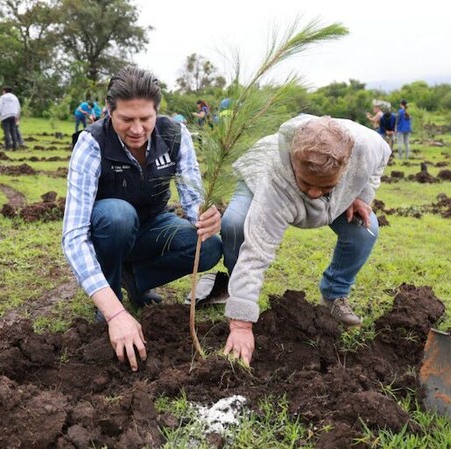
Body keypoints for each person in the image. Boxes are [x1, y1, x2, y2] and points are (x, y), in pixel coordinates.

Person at [62, 66, 223, 371]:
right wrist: (114, 315)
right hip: (109, 230)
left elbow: (192, 200)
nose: (137, 129)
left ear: (156, 112)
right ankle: (111, 297)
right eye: (126, 119)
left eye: (145, 119)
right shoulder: (92, 142)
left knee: (211, 246)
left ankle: (136, 281)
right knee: (117, 215)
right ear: (109, 112)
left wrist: (206, 217)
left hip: (153, 225)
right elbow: (73, 235)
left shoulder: (175, 134)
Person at [217, 115, 391, 365]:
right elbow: (257, 253)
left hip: (335, 195)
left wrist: (362, 195)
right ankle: (238, 297)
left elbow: (380, 160)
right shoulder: (276, 180)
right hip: (260, 176)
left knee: (366, 228)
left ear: (346, 166)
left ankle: (335, 296)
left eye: (325, 186)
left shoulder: (368, 146)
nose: (313, 193)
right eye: (307, 183)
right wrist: (241, 325)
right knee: (235, 224)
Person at [0, 86, 21, 151]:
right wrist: (17, 117)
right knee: (13, 131)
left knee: (6, 132)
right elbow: (18, 107)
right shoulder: (15, 97)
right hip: (14, 115)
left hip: (5, 116)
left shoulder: (3, 97)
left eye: (2, 91)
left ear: (4, 91)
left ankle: (7, 147)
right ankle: (15, 147)